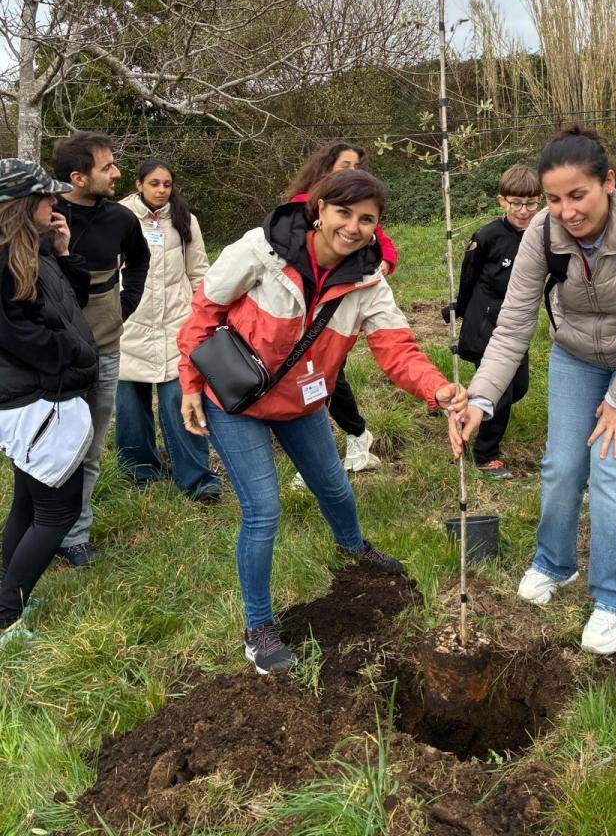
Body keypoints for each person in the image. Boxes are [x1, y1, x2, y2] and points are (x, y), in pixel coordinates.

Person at [178, 168, 467, 674]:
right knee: (264, 511)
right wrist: (188, 382)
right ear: (318, 209)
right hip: (235, 402)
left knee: (334, 487)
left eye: (367, 219)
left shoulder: (367, 283)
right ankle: (259, 627)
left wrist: (436, 388)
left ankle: (354, 546)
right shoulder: (259, 252)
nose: (353, 227)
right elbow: (204, 312)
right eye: (344, 213)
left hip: (304, 404)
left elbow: (397, 348)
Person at [455, 125, 616, 656]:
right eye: (554, 199)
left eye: (577, 195)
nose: (566, 211)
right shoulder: (541, 232)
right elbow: (512, 323)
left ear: (608, 183)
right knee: (559, 466)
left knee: (610, 468)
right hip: (575, 357)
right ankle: (554, 564)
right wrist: (482, 399)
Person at [0, 160, 98, 641]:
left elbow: (73, 299)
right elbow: (21, 334)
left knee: (29, 500)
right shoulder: (4, 260)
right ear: (20, 206)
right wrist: (71, 353)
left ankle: (9, 596)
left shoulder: (29, 252)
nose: (54, 203)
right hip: (37, 400)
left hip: (41, 396)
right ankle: (5, 616)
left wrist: (62, 250)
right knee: (58, 511)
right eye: (45, 197)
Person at [50, 132, 150, 567]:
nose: (117, 173)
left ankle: (74, 535)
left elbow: (140, 260)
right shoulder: (44, 214)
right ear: (77, 176)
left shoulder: (120, 220)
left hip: (105, 351)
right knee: (49, 449)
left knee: (89, 446)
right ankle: (39, 528)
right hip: (50, 358)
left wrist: (124, 306)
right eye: (107, 166)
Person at [283, 140, 398, 480]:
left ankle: (332, 451)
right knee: (315, 380)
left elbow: (382, 241)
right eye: (346, 165)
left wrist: (385, 264)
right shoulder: (300, 207)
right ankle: (349, 439)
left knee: (322, 379)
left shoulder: (359, 214)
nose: (353, 173)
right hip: (300, 310)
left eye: (357, 167)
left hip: (339, 311)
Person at [115, 159, 221, 501]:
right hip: (130, 326)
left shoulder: (184, 220)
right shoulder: (118, 218)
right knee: (131, 408)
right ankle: (140, 474)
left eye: (167, 184)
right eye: (154, 183)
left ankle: (197, 477)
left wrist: (204, 317)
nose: (161, 190)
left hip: (177, 327)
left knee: (183, 402)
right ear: (138, 185)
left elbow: (199, 271)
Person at [448, 163, 542, 479]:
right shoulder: (487, 236)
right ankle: (486, 454)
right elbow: (469, 275)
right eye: (516, 203)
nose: (524, 210)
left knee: (519, 387)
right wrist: (458, 310)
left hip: (518, 322)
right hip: (487, 321)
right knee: (498, 393)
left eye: (531, 203)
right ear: (502, 201)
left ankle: (467, 406)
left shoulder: (542, 233)